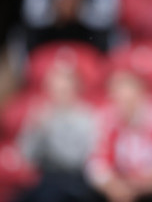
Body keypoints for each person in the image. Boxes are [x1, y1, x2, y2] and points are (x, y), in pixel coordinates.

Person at [86, 70, 152, 202]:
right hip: (117, 186)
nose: (124, 106)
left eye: (129, 100)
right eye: (118, 99)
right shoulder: (105, 118)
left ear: (142, 95)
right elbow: (96, 163)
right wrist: (113, 186)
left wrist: (140, 187)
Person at [16, 64, 99, 202]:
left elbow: (81, 158)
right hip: (46, 177)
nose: (59, 94)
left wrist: (49, 135)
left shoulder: (88, 116)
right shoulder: (41, 114)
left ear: (76, 88)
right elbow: (26, 156)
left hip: (77, 178)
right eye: (55, 89)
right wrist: (37, 131)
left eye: (64, 89)